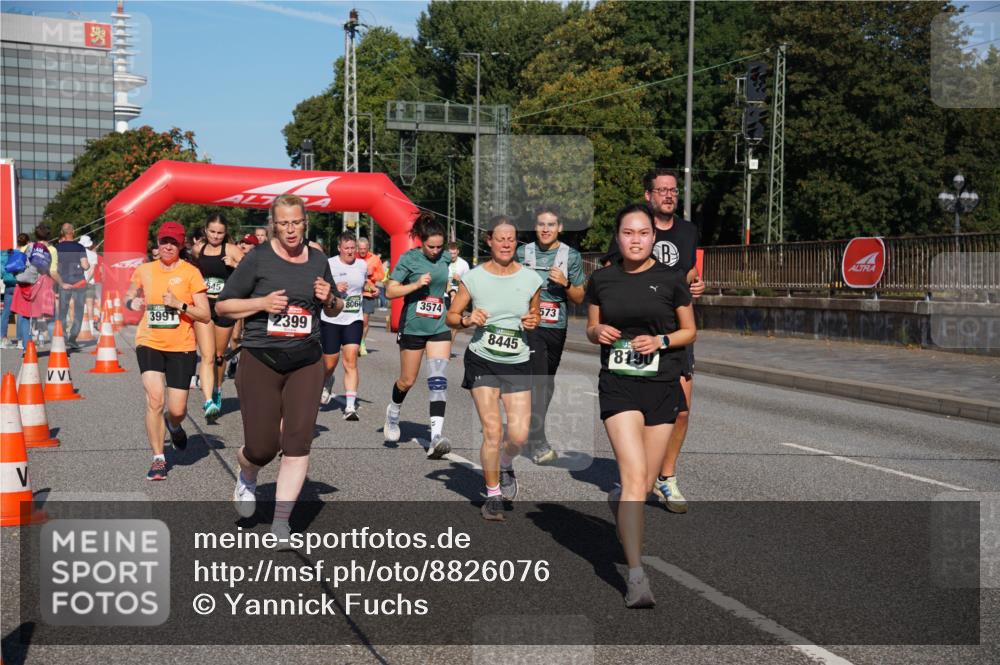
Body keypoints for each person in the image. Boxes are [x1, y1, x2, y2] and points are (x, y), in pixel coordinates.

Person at [216, 194, 342, 547]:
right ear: (274, 224)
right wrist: (261, 303)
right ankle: (247, 473)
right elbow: (224, 306)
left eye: (296, 222)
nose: (290, 229)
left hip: (306, 361)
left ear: (305, 222)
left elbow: (335, 308)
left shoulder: (318, 259)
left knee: (298, 442)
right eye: (283, 222)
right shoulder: (258, 258)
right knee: (262, 447)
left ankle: (281, 522)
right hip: (261, 360)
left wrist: (329, 298)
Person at [587, 203, 695, 607]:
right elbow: (590, 326)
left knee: (643, 486)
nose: (635, 239)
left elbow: (690, 330)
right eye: (628, 233)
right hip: (618, 386)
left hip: (663, 384)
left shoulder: (671, 279)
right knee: (634, 479)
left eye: (643, 233)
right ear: (618, 236)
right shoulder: (603, 279)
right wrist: (597, 330)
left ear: (654, 238)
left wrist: (661, 341)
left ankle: (618, 501)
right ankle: (636, 576)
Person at [601, 168, 705, 513]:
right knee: (638, 410)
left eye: (673, 190)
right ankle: (636, 476)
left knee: (682, 411)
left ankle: (667, 476)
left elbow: (689, 274)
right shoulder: (633, 228)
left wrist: (695, 287)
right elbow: (610, 271)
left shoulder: (688, 231)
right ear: (648, 196)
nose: (669, 195)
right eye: (661, 190)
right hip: (634, 337)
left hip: (673, 330)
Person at [446, 216, 542, 522]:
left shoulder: (530, 279)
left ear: (516, 243)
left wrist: (533, 320)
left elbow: (535, 314)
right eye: (500, 238)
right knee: (492, 430)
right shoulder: (474, 278)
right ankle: (492, 495)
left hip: (517, 358)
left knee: (518, 435)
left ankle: (504, 462)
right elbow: (451, 316)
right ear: (489, 241)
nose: (505, 243)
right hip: (482, 357)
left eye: (511, 239)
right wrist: (466, 320)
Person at [125, 221, 211, 481]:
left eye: (173, 242)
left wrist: (180, 304)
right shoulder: (145, 270)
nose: (168, 247)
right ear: (158, 243)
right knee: (154, 399)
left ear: (181, 245)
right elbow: (129, 293)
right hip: (149, 341)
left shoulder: (191, 273)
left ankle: (174, 425)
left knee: (176, 409)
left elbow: (205, 315)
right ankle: (159, 459)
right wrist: (133, 300)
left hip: (181, 346)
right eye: (164, 241)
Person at [515, 205, 586, 465]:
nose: (545, 229)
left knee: (547, 380)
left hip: (556, 325)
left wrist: (565, 283)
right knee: (540, 378)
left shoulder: (571, 256)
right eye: (541, 224)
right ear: (535, 227)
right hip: (530, 324)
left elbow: (579, 297)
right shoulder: (523, 253)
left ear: (560, 228)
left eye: (551, 225)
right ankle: (538, 438)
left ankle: (532, 427)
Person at [383, 214, 453, 459]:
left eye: (439, 246)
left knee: (438, 379)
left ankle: (436, 437)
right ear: (421, 242)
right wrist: (415, 285)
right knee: (407, 381)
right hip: (413, 326)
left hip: (439, 327)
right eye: (430, 246)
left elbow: (447, 280)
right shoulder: (409, 259)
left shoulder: (445, 257)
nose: (435, 251)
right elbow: (390, 290)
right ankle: (393, 413)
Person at [191, 215, 244, 421]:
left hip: (224, 305)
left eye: (220, 233)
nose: (215, 236)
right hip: (205, 305)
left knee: (220, 356)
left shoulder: (231, 250)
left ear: (225, 233)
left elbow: (251, 272)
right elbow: (193, 270)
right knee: (208, 354)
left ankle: (217, 388)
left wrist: (234, 265)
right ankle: (208, 400)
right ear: (205, 230)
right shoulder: (198, 249)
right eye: (212, 231)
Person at [320, 232, 367, 419]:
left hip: (353, 319)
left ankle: (349, 407)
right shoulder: (329, 264)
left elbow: (362, 287)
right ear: (339, 248)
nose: (350, 252)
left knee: (351, 360)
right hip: (331, 318)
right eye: (346, 248)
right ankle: (326, 379)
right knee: (329, 363)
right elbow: (320, 287)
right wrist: (334, 288)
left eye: (352, 248)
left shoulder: (362, 266)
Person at [54, 223, 90, 350]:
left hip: (64, 283)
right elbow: (85, 266)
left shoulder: (56, 248)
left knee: (62, 313)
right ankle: (73, 339)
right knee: (78, 312)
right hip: (79, 282)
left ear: (62, 233)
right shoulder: (80, 247)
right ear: (73, 232)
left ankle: (63, 338)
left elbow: (54, 267)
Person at [356, 236, 384, 356]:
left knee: (365, 321)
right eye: (360, 248)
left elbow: (382, 276)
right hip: (354, 293)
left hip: (368, 293)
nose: (362, 251)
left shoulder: (375, 259)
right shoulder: (353, 257)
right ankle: (352, 342)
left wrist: (373, 275)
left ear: (368, 248)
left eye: (364, 248)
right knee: (353, 321)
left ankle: (361, 342)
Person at [445, 242, 471, 344]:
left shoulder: (464, 264)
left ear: (458, 252)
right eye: (450, 253)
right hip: (444, 295)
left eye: (454, 253)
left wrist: (459, 280)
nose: (452, 256)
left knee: (456, 322)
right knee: (443, 322)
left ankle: (449, 345)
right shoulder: (443, 262)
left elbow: (468, 282)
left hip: (458, 296)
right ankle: (439, 344)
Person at [80, 234, 101, 331]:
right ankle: (91, 325)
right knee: (89, 304)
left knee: (78, 304)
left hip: (78, 281)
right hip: (89, 282)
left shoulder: (77, 253)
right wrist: (87, 280)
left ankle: (80, 326)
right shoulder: (93, 255)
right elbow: (92, 270)